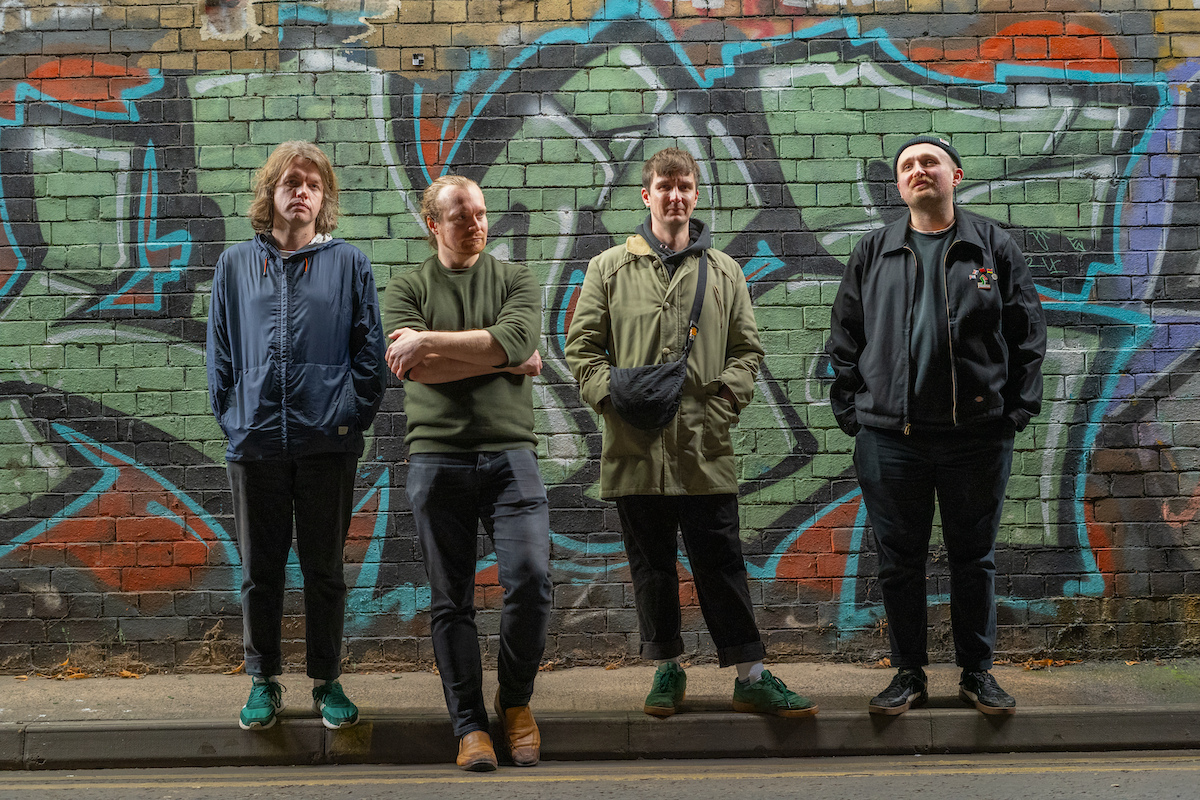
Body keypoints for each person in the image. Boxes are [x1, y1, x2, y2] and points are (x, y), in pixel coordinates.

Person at [565, 147, 817, 719]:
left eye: (684, 186)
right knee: (651, 567)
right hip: (633, 448)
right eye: (665, 186)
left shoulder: (724, 271)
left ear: (696, 195)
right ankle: (666, 670)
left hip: (705, 447)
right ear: (646, 195)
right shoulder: (609, 268)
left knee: (721, 563)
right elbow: (581, 349)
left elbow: (748, 351)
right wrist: (610, 400)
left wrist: (723, 403)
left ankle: (750, 676)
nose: (674, 195)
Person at [826, 135, 1047, 716]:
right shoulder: (874, 251)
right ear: (900, 185)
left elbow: (1028, 333)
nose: (918, 170)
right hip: (889, 438)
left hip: (976, 437)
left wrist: (1015, 412)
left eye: (930, 161)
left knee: (974, 559)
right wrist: (854, 415)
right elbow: (845, 337)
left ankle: (977, 673)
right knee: (899, 562)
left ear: (956, 174)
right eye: (908, 165)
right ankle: (909, 674)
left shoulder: (991, 247)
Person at [206, 141, 386, 731]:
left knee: (324, 570)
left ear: (323, 196)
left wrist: (349, 414)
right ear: (271, 192)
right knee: (260, 571)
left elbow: (369, 352)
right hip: (255, 441)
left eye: (313, 183)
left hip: (327, 442)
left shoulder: (349, 264)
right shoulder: (235, 265)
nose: (302, 191)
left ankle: (327, 681)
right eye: (291, 182)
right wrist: (236, 417)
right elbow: (220, 353)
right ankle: (263, 681)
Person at [382, 175, 552, 772]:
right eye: (461, 216)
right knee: (451, 599)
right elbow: (416, 371)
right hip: (437, 457)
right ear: (434, 224)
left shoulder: (515, 279)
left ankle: (516, 702)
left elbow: (517, 339)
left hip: (512, 456)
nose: (477, 224)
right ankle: (469, 726)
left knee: (531, 581)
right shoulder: (407, 286)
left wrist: (432, 342)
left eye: (480, 213)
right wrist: (503, 361)